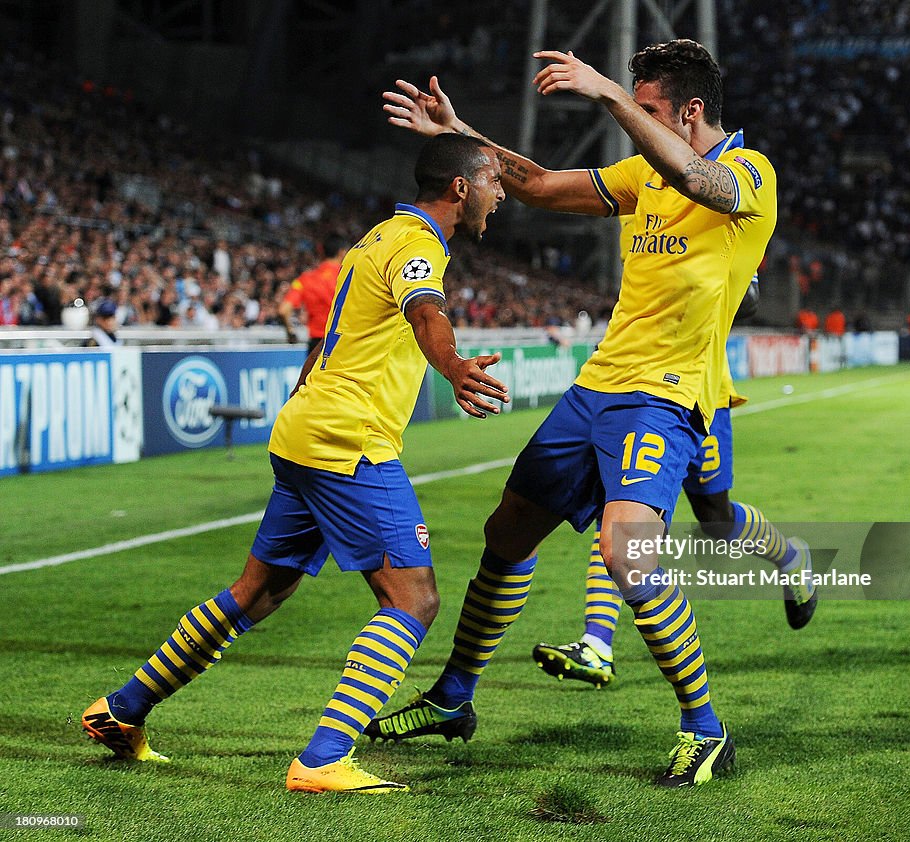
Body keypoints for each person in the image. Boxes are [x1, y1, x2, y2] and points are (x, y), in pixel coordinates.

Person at [371, 40, 797, 787]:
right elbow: (533, 184)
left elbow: (696, 176)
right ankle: (454, 698)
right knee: (505, 531)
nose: (637, 117)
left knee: (628, 551)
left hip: (665, 394)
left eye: (652, 106)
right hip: (596, 387)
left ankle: (706, 729)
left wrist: (606, 93)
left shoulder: (748, 171)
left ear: (690, 112)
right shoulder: (640, 176)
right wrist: (458, 137)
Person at [82, 133, 509, 794]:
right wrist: (452, 367)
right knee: (414, 599)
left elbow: (330, 337)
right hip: (349, 441)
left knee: (257, 590)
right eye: (494, 182)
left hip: (307, 429)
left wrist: (301, 414)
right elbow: (428, 314)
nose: (501, 194)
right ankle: (322, 757)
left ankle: (122, 709)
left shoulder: (376, 237)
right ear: (461, 187)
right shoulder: (419, 246)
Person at [533, 292, 817, 691]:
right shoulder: (627, 227)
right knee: (619, 511)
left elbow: (749, 298)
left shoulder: (721, 228)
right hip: (637, 390)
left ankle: (791, 557)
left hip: (700, 390)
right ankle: (597, 642)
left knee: (717, 520)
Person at [279, 234, 347, 353]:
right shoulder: (347, 276)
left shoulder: (305, 279)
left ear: (322, 253)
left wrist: (290, 332)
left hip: (316, 346)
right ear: (342, 252)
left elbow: (283, 310)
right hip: (342, 343)